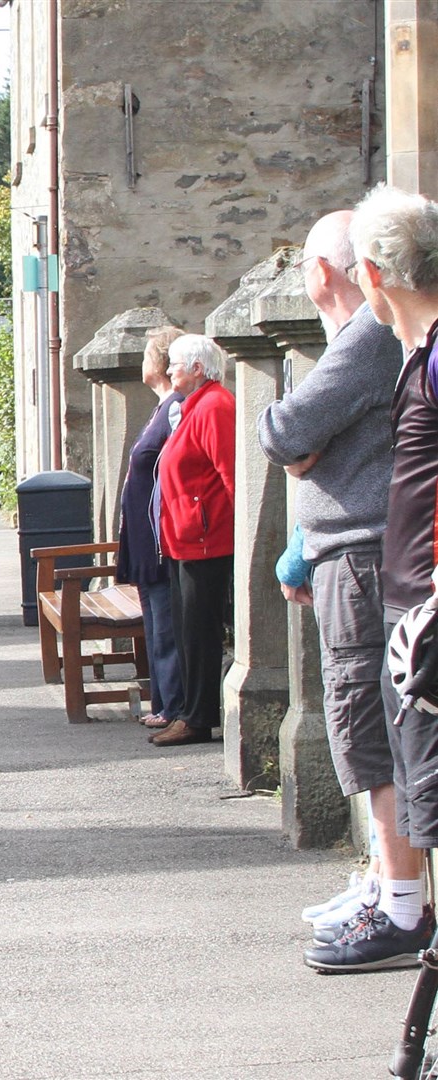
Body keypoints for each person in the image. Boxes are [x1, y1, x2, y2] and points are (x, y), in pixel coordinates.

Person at [254, 208, 423, 971]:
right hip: (352, 554)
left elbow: (287, 433)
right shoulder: (375, 338)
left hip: (363, 556)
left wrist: (301, 444)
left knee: (367, 728)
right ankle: (388, 890)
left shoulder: (370, 336)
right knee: (366, 729)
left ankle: (401, 905)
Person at [337, 185, 438, 963]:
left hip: (428, 621)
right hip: (411, 618)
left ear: (371, 274)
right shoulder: (418, 353)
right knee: (419, 798)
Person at [149, 334, 234, 748]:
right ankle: (190, 713)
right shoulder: (195, 406)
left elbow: (231, 474)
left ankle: (198, 717)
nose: (169, 372)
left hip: (206, 539)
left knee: (199, 632)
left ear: (197, 368)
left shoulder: (215, 406)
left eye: (175, 365)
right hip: (186, 538)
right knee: (187, 630)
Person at [115, 325, 186, 732]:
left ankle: (171, 703)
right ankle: (162, 700)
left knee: (165, 624)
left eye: (145, 355)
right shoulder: (161, 407)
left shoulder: (174, 406)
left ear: (158, 362)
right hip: (145, 537)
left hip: (160, 536)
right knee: (155, 621)